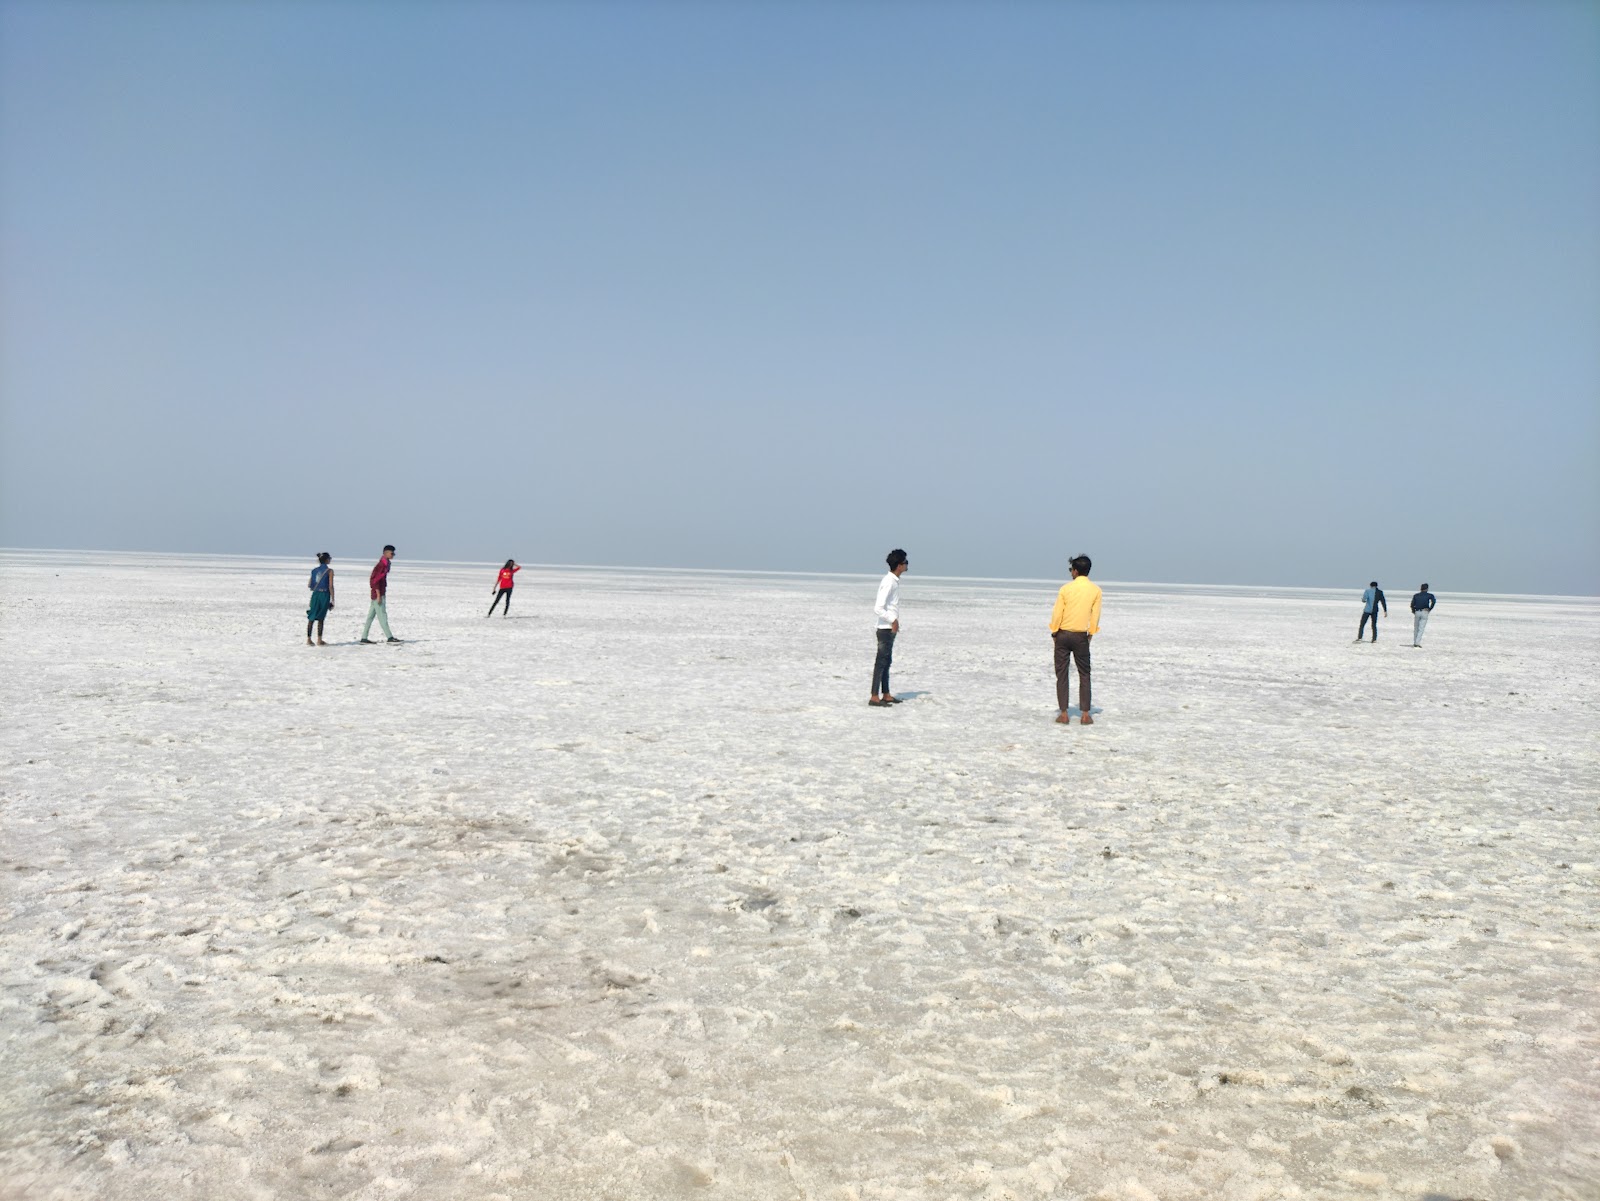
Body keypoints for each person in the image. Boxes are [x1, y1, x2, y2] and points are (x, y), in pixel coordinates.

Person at [1049, 554, 1102, 725]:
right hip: (1081, 636)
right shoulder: (1095, 590)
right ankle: (1085, 715)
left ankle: (1064, 714)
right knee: (1085, 674)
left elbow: (1057, 613)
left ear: (1076, 571)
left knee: (1062, 674)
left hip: (1063, 634)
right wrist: (1091, 634)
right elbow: (1095, 616)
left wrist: (1054, 633)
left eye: (1071, 569)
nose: (1070, 572)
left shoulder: (1065, 589)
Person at [869, 549, 909, 707]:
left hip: (889, 628)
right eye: (905, 562)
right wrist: (893, 620)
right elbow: (878, 608)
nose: (907, 565)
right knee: (881, 662)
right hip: (885, 628)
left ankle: (886, 694)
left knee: (887, 661)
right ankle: (874, 696)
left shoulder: (893, 581)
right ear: (899, 565)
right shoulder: (889, 582)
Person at [360, 545, 401, 644]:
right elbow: (375, 581)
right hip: (378, 594)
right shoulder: (381, 565)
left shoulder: (385, 565)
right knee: (382, 616)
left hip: (378, 593)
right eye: (392, 553)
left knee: (370, 617)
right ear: (386, 553)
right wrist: (378, 595)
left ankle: (364, 638)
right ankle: (390, 637)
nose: (393, 555)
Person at [306, 552, 334, 645]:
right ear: (326, 560)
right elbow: (330, 586)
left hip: (315, 594)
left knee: (311, 616)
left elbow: (310, 585)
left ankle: (309, 639)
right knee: (321, 617)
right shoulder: (329, 571)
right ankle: (319, 639)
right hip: (324, 595)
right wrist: (332, 599)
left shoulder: (314, 571)